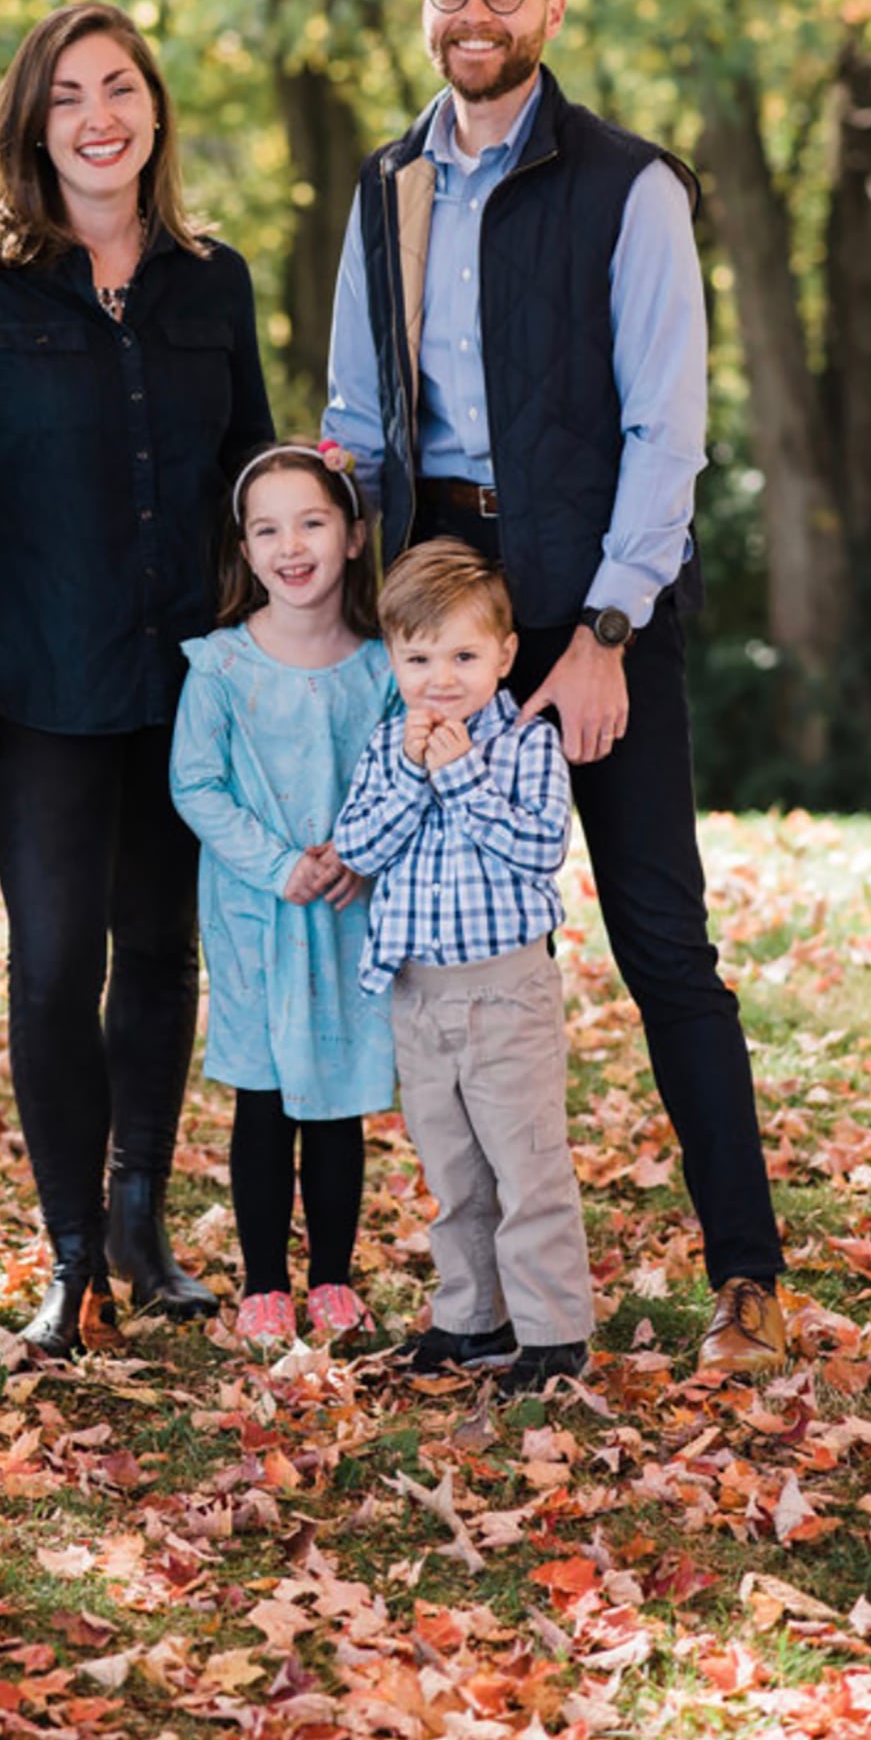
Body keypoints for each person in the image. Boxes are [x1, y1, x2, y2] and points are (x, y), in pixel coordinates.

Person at [324, 0, 787, 1373]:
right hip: (441, 608)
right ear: (426, 0)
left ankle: (749, 1268)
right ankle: (479, 1300)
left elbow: (668, 432)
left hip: (598, 602)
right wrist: (342, 603)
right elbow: (358, 421)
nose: (476, 14)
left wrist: (600, 629)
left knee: (661, 934)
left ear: (553, 9)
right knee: (442, 954)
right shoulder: (386, 187)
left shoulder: (631, 186)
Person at [0, 3, 276, 1358]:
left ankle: (139, 1225)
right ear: (31, 124)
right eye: (69, 97)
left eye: (120, 88)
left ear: (155, 110)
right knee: (55, 961)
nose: (99, 116)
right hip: (36, 681)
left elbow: (254, 476)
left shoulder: (210, 281)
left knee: (161, 951)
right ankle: (70, 1260)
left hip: (187, 680)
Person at [334, 539, 591, 1393]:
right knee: (452, 1171)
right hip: (419, 994)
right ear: (392, 657)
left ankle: (554, 1332)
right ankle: (472, 1316)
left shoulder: (525, 742)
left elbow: (539, 848)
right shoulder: (386, 748)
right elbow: (360, 846)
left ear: (505, 655)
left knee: (527, 1164)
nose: (440, 677)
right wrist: (414, 773)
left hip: (506, 991)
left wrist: (465, 774)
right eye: (418, 657)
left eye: (464, 655)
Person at [169, 443, 395, 1353]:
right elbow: (196, 785)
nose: (290, 545)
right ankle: (265, 1283)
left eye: (310, 521)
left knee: (336, 1101)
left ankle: (334, 1279)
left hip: (345, 914)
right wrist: (275, 863)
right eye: (267, 528)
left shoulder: (383, 669)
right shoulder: (222, 666)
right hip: (257, 915)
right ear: (245, 548)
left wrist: (361, 854)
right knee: (262, 1099)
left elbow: (400, 777)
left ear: (352, 533)